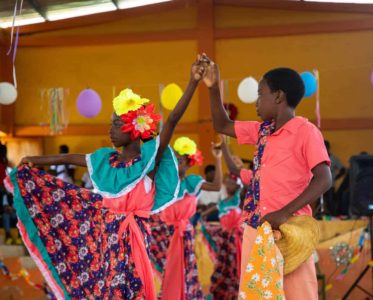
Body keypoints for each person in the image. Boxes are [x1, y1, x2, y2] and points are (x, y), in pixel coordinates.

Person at [8, 57, 208, 299]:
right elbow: (72, 157)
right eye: (111, 124)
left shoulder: (148, 164)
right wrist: (35, 160)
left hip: (133, 243)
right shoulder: (106, 162)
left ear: (135, 127)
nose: (109, 130)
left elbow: (172, 120)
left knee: (133, 291)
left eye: (116, 124)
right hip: (105, 242)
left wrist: (193, 82)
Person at [202, 55, 331, 299]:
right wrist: (212, 86)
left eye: (261, 94)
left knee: (297, 293)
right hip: (257, 227)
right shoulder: (260, 130)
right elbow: (221, 124)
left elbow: (324, 179)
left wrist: (284, 212)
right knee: (256, 293)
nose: (256, 102)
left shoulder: (305, 131)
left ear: (279, 97)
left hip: (290, 231)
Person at [149, 136, 222, 300]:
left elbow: (217, 186)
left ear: (190, 163)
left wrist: (217, 159)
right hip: (163, 234)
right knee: (166, 270)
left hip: (184, 233)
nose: (176, 162)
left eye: (180, 160)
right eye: (174, 158)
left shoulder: (191, 182)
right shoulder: (165, 183)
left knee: (185, 270)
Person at [201, 170, 243, 299]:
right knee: (223, 265)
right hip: (224, 238)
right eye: (228, 183)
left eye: (232, 183)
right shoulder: (224, 202)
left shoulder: (238, 199)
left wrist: (239, 171)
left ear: (237, 186)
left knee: (235, 264)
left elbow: (245, 186)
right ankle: (224, 290)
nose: (229, 185)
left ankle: (236, 290)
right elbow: (209, 211)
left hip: (235, 239)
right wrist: (202, 215)